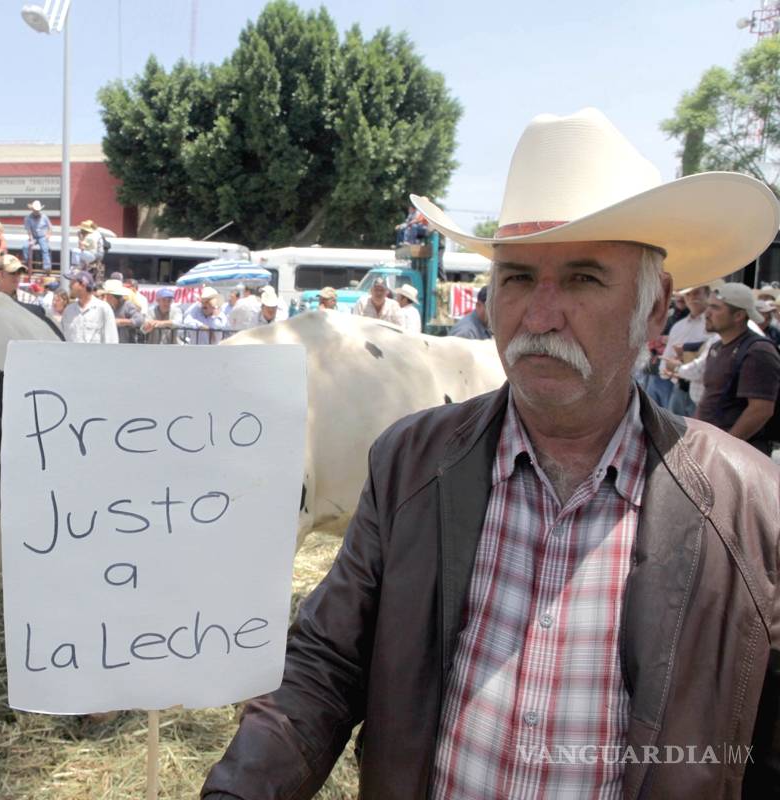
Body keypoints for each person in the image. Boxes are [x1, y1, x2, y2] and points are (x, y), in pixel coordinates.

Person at [203, 108, 780, 799]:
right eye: (514, 278)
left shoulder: (750, 510)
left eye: (584, 278)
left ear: (656, 308)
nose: (537, 316)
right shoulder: (411, 464)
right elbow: (326, 664)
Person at [693, 283, 780, 455]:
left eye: (716, 308)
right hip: (709, 447)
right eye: (708, 306)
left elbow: (761, 409)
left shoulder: (758, 351)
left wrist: (724, 447)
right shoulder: (717, 347)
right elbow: (711, 397)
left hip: (738, 456)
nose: (707, 313)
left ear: (739, 315)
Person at [660, 284, 711, 416]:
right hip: (679, 389)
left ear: (707, 294)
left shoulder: (715, 324)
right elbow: (665, 362)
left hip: (704, 393)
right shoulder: (678, 326)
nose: (692, 298)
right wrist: (669, 370)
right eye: (688, 294)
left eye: (696, 293)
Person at [60, 272, 117, 343]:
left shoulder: (103, 309)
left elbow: (111, 340)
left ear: (83, 285)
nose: (69, 285)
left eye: (73, 282)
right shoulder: (68, 311)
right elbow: (62, 337)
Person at [102, 279, 143, 343]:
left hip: (126, 345)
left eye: (106, 295)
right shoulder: (107, 307)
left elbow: (139, 319)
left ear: (110, 296)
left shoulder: (127, 305)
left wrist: (122, 322)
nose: (105, 297)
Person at [22, 200, 52, 271]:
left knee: (45, 249)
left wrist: (48, 235)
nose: (37, 212)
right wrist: (31, 239)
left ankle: (47, 267)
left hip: (42, 236)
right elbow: (28, 230)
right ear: (32, 210)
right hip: (34, 237)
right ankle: (27, 264)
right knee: (25, 247)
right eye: (35, 210)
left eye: (38, 210)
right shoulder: (28, 218)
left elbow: (50, 227)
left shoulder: (44, 217)